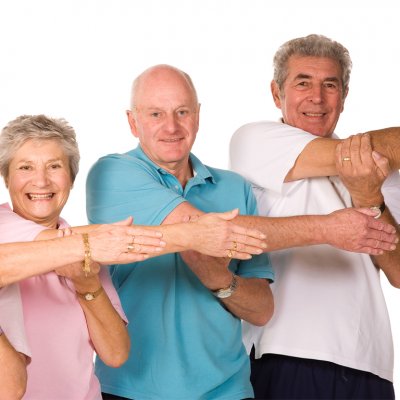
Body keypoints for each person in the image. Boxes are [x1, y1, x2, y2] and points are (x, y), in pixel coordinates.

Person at [86, 64, 398, 400]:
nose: (171, 126)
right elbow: (206, 230)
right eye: (155, 114)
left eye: (182, 112)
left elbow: (262, 310)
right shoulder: (113, 173)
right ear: (133, 122)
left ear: (198, 116)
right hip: (133, 387)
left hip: (229, 390)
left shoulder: (233, 187)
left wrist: (220, 280)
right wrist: (328, 228)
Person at [0, 114, 268, 400]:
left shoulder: (87, 245)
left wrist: (87, 285)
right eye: (25, 167)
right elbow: (65, 244)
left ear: (71, 177)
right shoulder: (9, 228)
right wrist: (188, 236)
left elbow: (115, 354)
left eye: (54, 166)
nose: (41, 181)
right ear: (6, 177)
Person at [230, 34, 400, 399]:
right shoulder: (255, 140)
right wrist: (368, 164)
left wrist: (370, 197)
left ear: (345, 95)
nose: (317, 98)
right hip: (288, 352)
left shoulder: (386, 174)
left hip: (372, 364)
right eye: (302, 82)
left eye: (330, 85)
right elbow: (370, 151)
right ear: (277, 94)